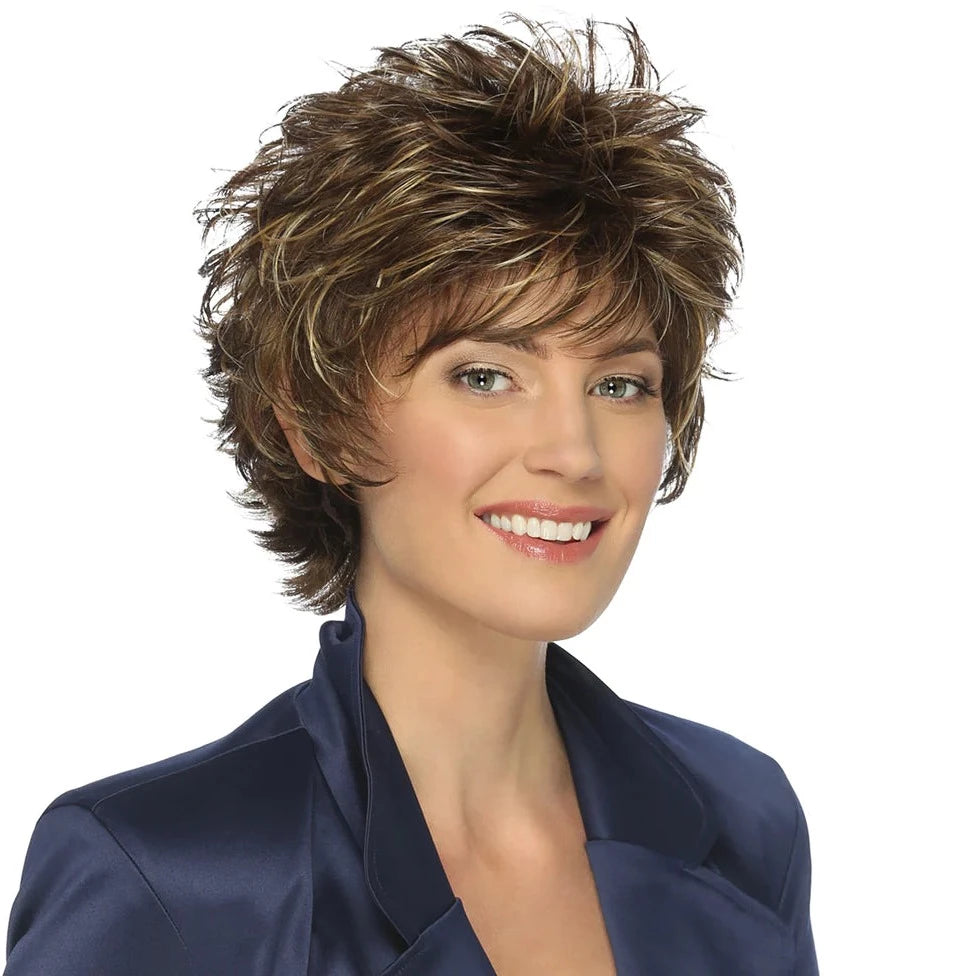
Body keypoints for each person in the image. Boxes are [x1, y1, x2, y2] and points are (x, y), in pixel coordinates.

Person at [3, 12, 817, 975]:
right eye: (485, 375)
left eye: (620, 384)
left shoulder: (741, 820)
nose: (574, 452)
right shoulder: (170, 877)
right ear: (316, 423)